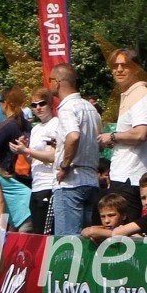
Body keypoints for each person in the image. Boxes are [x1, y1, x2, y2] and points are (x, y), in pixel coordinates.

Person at [96, 48, 147, 221]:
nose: (118, 69)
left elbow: (141, 133)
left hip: (130, 179)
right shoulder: (130, 95)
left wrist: (113, 136)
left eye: (124, 65)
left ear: (137, 68)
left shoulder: (140, 95)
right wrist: (116, 139)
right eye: (114, 66)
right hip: (125, 178)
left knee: (124, 238)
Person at [49, 63, 102, 235]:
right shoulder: (91, 108)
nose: (48, 84)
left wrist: (64, 165)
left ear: (57, 82)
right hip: (92, 181)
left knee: (66, 245)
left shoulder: (66, 108)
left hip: (71, 182)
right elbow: (100, 143)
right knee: (86, 243)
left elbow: (74, 135)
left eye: (50, 80)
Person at [9, 87, 59, 234]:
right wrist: (23, 151)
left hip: (50, 184)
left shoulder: (56, 124)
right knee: (37, 233)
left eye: (41, 103)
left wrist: (27, 151)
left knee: (47, 233)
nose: (38, 108)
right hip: (36, 185)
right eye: (34, 105)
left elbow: (53, 156)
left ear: (50, 104)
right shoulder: (36, 129)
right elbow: (33, 162)